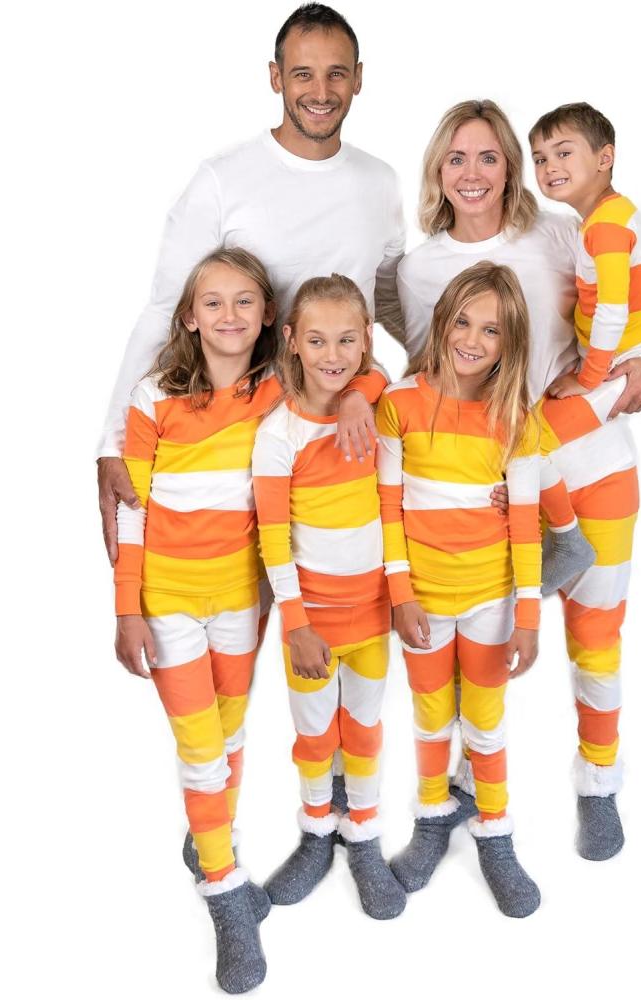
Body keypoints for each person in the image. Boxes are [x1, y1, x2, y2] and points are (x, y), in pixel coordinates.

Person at [396, 99, 641, 861]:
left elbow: (640, 314)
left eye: (489, 156)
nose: (472, 172)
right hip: (493, 494)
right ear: (437, 170)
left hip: (597, 466)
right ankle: (461, 790)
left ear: (512, 168)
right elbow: (433, 380)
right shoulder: (419, 271)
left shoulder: (562, 233)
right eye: (456, 157)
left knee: (597, 636)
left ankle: (599, 783)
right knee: (476, 649)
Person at [97, 3, 405, 565]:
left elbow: (390, 301)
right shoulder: (223, 179)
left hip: (345, 424)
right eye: (303, 74)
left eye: (337, 73)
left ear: (359, 78)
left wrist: (461, 372)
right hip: (238, 430)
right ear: (275, 77)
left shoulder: (380, 182)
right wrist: (111, 444)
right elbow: (165, 308)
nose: (321, 91)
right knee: (239, 590)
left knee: (346, 587)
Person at [112, 248, 279, 992]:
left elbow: (359, 378)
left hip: (242, 597)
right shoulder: (153, 397)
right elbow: (132, 510)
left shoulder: (276, 391)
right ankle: (225, 891)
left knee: (231, 733)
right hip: (170, 600)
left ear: (267, 314)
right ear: (188, 317)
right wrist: (128, 609)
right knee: (201, 746)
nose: (229, 315)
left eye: (245, 301)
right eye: (212, 302)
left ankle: (212, 838)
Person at [377, 262, 543, 918]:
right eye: (464, 322)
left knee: (485, 719)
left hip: (489, 600)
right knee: (429, 716)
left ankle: (495, 832)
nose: (473, 340)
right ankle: (431, 818)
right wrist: (401, 595)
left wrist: (527, 616)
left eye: (492, 330)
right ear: (443, 321)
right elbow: (388, 509)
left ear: (510, 344)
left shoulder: (516, 419)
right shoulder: (400, 405)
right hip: (421, 597)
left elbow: (524, 521)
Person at [252, 275, 406, 920]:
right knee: (314, 734)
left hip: (371, 615)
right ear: (290, 340)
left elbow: (392, 510)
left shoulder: (378, 414)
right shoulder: (278, 434)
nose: (333, 354)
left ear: (367, 338)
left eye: (347, 340)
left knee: (364, 727)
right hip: (310, 622)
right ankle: (317, 830)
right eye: (316, 340)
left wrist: (400, 597)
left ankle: (363, 833)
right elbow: (273, 538)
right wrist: (296, 624)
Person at [531, 101, 641, 598]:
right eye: (540, 158)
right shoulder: (605, 218)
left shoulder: (607, 228)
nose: (550, 167)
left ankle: (567, 541)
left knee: (529, 443)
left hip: (612, 370)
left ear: (604, 157)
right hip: (618, 356)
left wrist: (588, 377)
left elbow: (612, 311)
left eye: (563, 153)